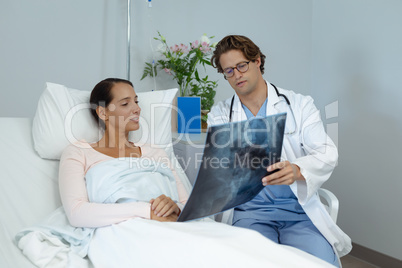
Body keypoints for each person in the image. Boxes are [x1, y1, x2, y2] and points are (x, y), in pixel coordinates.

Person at [208, 35, 352, 266]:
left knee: (321, 264)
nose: (236, 75)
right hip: (250, 214)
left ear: (257, 61)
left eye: (241, 65)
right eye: (229, 71)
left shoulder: (299, 105)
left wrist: (296, 169)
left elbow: (327, 153)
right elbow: (217, 170)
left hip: (299, 214)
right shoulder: (220, 114)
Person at [59, 78, 188, 227]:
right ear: (102, 112)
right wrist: (147, 211)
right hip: (122, 231)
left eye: (136, 102)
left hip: (172, 225)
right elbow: (77, 213)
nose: (137, 109)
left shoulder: (156, 153)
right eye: (125, 104)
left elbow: (187, 205)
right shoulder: (78, 153)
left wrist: (175, 208)